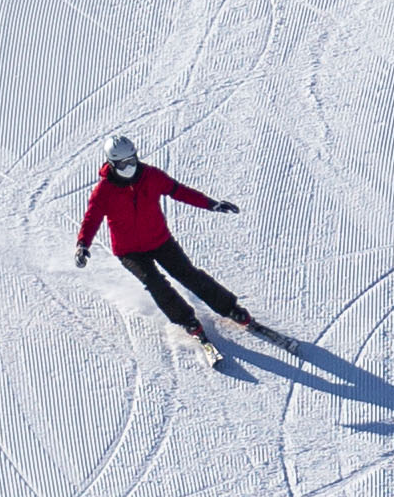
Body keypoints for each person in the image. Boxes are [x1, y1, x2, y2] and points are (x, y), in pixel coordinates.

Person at [74, 135, 273, 345]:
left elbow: (180, 192)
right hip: (129, 250)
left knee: (188, 274)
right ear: (112, 164)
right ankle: (186, 320)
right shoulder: (104, 191)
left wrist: (211, 204)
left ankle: (231, 308)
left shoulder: (150, 176)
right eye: (124, 164)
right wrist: (82, 244)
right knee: (155, 283)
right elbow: (91, 219)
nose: (130, 166)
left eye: (132, 160)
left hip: (159, 240)